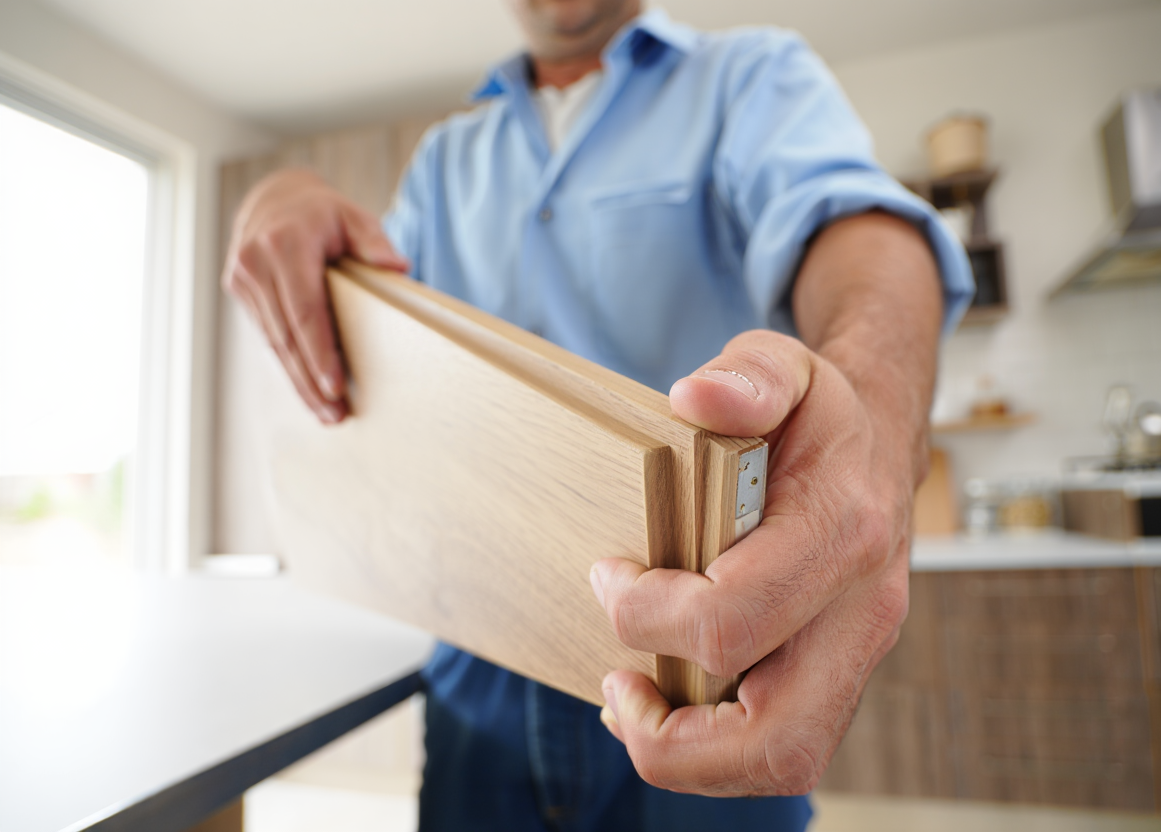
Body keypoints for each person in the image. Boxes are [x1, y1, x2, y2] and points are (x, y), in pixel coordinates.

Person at [223, 0, 973, 829]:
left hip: (704, 661)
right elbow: (374, 321)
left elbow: (858, 230)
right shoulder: (444, 159)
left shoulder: (748, 76)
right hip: (477, 660)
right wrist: (282, 196)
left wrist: (874, 424)